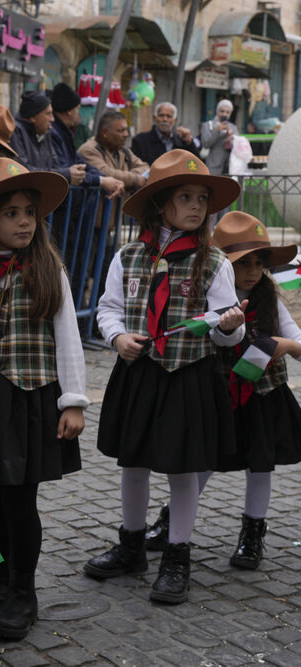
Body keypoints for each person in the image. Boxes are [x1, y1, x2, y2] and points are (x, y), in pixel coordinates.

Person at [84, 150, 244, 605]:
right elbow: (108, 309)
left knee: (182, 469)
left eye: (202, 198)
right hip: (139, 374)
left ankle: (177, 556)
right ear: (159, 204)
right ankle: (131, 545)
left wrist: (231, 327)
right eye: (185, 197)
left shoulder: (215, 264)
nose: (197, 206)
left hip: (187, 376)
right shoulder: (128, 257)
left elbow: (228, 333)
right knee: (132, 462)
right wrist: (117, 339)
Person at [0, 158, 87, 640]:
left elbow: (68, 335)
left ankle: (24, 590)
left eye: (29, 212)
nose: (24, 221)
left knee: (20, 498)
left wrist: (73, 399)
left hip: (30, 396)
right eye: (11, 213)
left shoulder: (48, 268)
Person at [144, 212, 301, 568]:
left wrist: (286, 346)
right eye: (243, 263)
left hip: (262, 396)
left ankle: (252, 534)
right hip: (218, 393)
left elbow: (297, 340)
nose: (252, 271)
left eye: (259, 263)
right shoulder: (208, 290)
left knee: (260, 466)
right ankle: (171, 519)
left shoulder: (269, 296)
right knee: (201, 461)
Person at [49, 83, 124, 198]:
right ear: (69, 111)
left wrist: (103, 178)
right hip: (61, 204)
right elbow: (65, 169)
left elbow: (79, 161)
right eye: (78, 108)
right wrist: (101, 181)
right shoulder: (53, 133)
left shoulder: (65, 132)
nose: (79, 113)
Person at [10, 90, 86, 187]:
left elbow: (55, 166)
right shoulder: (15, 132)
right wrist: (66, 174)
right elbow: (22, 170)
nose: (52, 119)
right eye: (48, 114)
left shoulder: (45, 132)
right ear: (33, 116)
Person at [78, 111, 150, 193]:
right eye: (121, 131)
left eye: (126, 130)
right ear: (104, 132)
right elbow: (105, 173)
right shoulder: (88, 150)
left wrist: (128, 177)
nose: (126, 134)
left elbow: (145, 168)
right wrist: (135, 179)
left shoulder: (123, 150)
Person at [131, 102, 200, 165]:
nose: (165, 119)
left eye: (169, 116)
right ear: (154, 118)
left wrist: (189, 143)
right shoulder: (140, 141)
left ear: (175, 120)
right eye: (161, 115)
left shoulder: (181, 141)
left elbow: (196, 164)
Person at [201, 99, 238, 175]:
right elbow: (205, 143)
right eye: (222, 111)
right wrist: (217, 131)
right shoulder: (208, 125)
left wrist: (231, 137)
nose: (225, 114)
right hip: (213, 167)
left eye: (227, 112)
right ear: (217, 111)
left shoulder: (233, 127)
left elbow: (238, 147)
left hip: (230, 167)